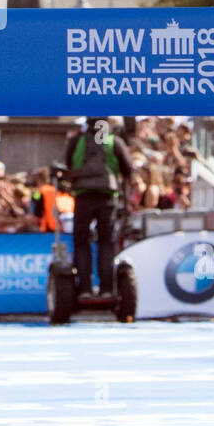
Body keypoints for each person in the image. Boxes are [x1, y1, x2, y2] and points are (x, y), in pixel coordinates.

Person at [64, 117, 134, 298]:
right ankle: (106, 289)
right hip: (107, 197)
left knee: (81, 241)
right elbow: (128, 168)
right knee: (106, 242)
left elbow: (69, 165)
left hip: (83, 196)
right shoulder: (114, 142)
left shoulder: (76, 141)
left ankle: (85, 289)